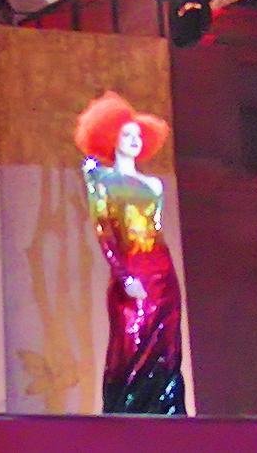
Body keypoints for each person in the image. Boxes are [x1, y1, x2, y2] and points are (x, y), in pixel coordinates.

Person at [75, 91, 187, 415]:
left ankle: (166, 410)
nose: (135, 140)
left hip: (162, 272)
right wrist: (124, 276)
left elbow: (154, 229)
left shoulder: (154, 185)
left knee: (165, 340)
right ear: (112, 138)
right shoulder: (103, 181)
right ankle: (127, 412)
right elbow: (105, 233)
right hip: (131, 271)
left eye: (138, 135)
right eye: (127, 135)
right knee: (130, 340)